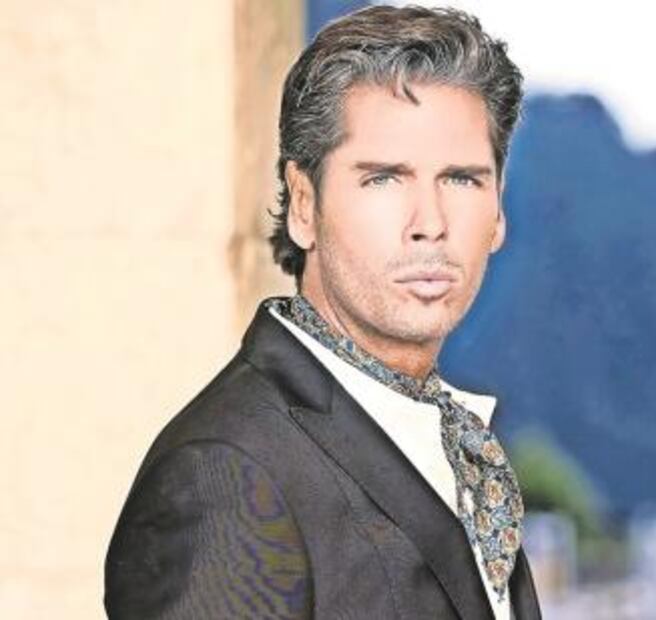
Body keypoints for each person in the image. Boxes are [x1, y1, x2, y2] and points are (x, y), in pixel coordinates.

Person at [105, 5, 540, 619]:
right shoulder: (223, 476)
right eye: (384, 178)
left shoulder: (454, 443)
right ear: (304, 206)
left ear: (498, 213)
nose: (430, 223)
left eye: (461, 179)